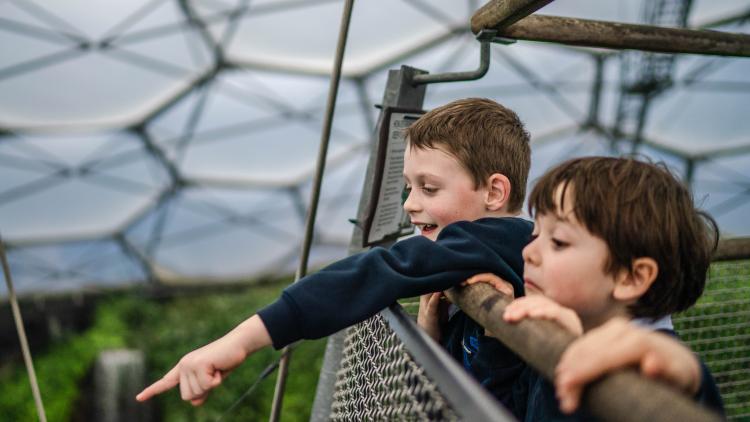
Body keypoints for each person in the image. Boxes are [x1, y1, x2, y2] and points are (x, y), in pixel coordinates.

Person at [136, 97, 534, 406]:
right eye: (409, 187)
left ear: (494, 192)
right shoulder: (483, 256)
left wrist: (240, 340)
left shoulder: (491, 239)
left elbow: (378, 271)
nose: (411, 204)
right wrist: (434, 333)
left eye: (429, 188)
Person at [468, 156, 725, 420]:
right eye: (536, 234)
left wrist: (692, 379)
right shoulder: (555, 330)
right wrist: (497, 335)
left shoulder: (656, 371)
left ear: (632, 278)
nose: (528, 251)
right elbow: (503, 411)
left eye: (557, 241)